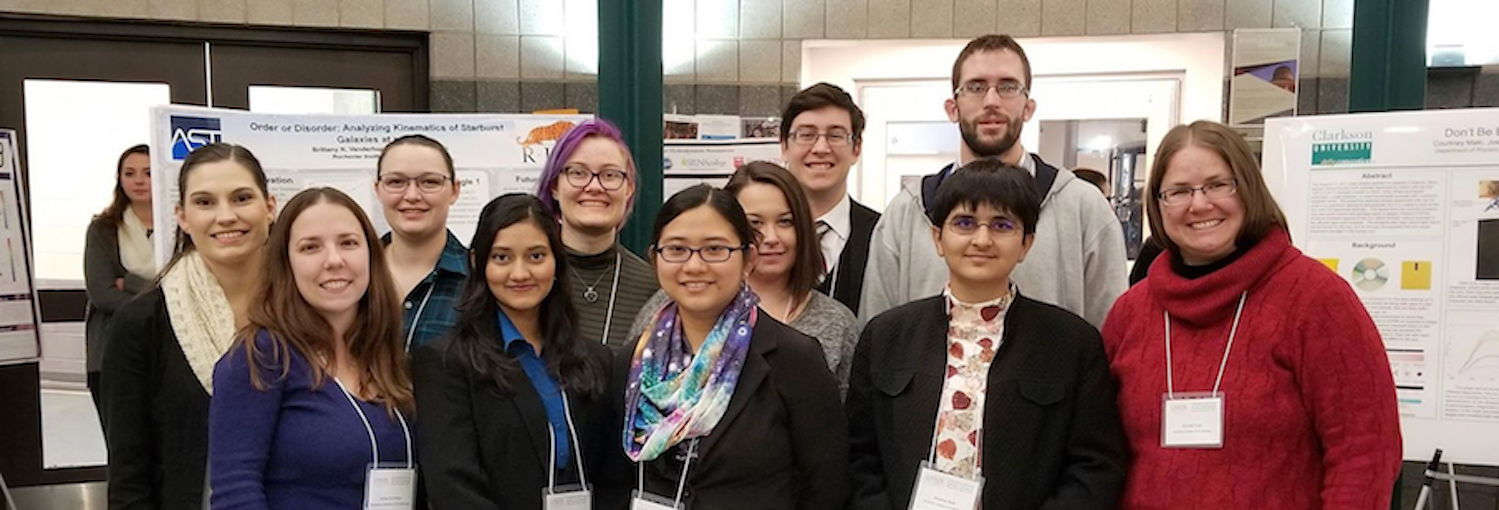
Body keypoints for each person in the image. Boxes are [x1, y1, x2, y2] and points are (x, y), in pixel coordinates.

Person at [1101, 121, 1401, 508]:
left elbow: (1365, 450)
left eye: (1217, 185)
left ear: (1248, 188)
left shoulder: (1316, 299)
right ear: (1158, 205)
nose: (1199, 204)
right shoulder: (1131, 313)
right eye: (1179, 191)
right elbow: (1100, 453)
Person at [847, 160, 1129, 510]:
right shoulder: (886, 337)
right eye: (964, 223)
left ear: (1026, 244)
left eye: (1002, 225)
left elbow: (1095, 466)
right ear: (938, 238)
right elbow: (859, 458)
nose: (982, 240)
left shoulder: (1072, 344)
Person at [860, 34, 1126, 328]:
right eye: (975, 87)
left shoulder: (1084, 209)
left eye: (1007, 87)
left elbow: (1113, 334)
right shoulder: (906, 213)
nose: (991, 101)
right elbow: (878, 336)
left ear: (1028, 107)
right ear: (952, 108)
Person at [618, 184, 848, 509]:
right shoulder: (634, 364)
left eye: (715, 249)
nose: (694, 266)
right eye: (677, 249)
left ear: (748, 258)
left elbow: (827, 486)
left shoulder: (794, 360)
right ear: (655, 259)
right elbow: (616, 480)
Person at [414, 194, 625, 509]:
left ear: (557, 261)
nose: (520, 273)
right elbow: (452, 487)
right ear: (477, 262)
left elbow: (615, 476)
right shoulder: (445, 363)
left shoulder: (597, 360)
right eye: (502, 257)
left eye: (536, 256)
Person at [209, 188, 416, 509]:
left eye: (348, 243)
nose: (333, 260)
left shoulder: (387, 355)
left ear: (372, 255)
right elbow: (235, 490)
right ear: (285, 264)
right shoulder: (261, 357)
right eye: (310, 247)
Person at [103, 143, 276, 510]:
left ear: (270, 206)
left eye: (242, 198)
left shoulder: (308, 312)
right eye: (205, 202)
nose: (226, 216)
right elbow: (129, 474)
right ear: (182, 216)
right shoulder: (142, 323)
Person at [630, 162, 861, 396]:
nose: (770, 237)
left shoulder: (835, 324)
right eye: (754, 223)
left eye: (785, 222)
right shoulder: (666, 309)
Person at [536, 119, 659, 351]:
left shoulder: (653, 289)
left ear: (629, 189)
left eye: (610, 175)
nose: (594, 186)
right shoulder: (527, 277)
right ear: (554, 186)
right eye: (578, 173)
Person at [780, 83, 880, 312]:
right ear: (784, 146)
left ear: (856, 149)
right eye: (807, 135)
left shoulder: (883, 234)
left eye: (836, 135)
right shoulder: (759, 234)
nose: (821, 148)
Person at [377, 135, 469, 351]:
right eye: (396, 182)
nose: (412, 195)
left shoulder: (480, 281)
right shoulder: (354, 274)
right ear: (378, 189)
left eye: (430, 182)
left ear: (455, 190)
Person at [84, 144, 153, 420]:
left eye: (148, 173)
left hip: (167, 353)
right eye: (130, 173)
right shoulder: (103, 228)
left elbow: (189, 282)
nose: (139, 180)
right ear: (119, 179)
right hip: (111, 349)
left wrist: (131, 283)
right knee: (122, 439)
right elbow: (102, 292)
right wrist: (160, 302)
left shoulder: (183, 226)